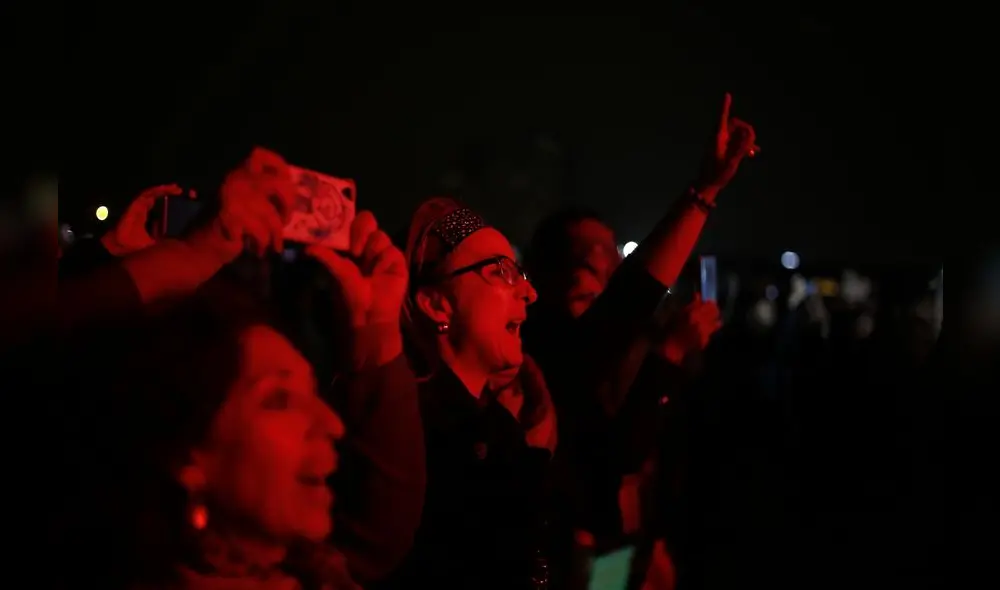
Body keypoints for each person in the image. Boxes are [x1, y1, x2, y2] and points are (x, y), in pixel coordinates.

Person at [388, 197, 551, 589]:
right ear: (437, 304)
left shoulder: (498, 427)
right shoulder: (404, 434)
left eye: (519, 272)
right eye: (500, 272)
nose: (529, 293)